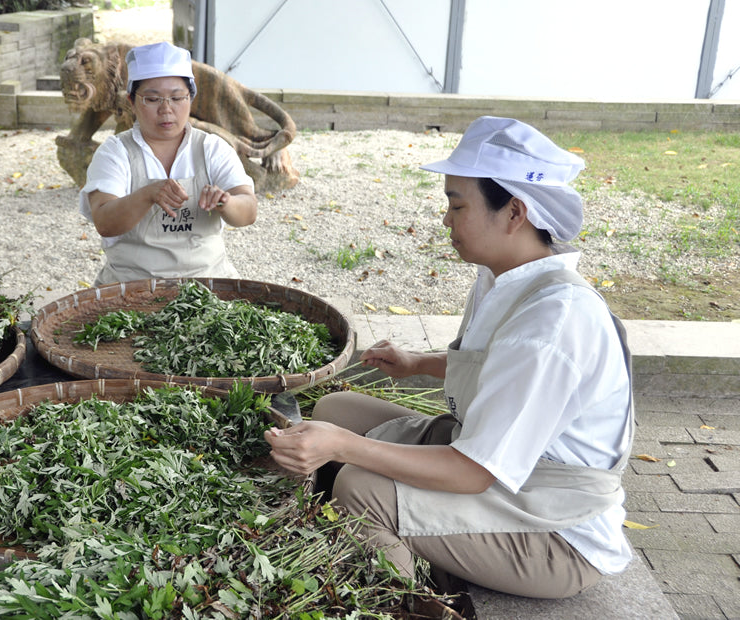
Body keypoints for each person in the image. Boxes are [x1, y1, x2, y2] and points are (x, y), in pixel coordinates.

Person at [265, 116, 634, 599]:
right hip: (497, 462)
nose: (445, 220)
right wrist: (419, 363)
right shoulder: (507, 277)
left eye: (456, 205)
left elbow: (473, 472)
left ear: (515, 213)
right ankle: (394, 529)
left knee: (358, 487)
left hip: (548, 523)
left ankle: (407, 600)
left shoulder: (552, 325)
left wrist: (342, 447)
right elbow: (499, 368)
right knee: (336, 411)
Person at [78, 41, 257, 285]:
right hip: (130, 289)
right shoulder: (116, 152)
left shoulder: (212, 148)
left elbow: (248, 211)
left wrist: (227, 202)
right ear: (131, 101)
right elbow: (105, 222)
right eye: (152, 99)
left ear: (190, 99)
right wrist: (147, 195)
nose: (166, 109)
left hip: (208, 287)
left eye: (176, 98)